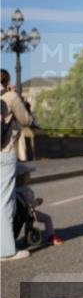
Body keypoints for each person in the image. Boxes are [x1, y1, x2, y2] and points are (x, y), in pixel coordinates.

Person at [2, 69, 33, 260]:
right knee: (5, 202)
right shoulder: (11, 96)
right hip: (4, 153)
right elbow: (26, 120)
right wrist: (17, 97)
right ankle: (6, 250)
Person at [15, 164, 61, 245]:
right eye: (28, 174)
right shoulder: (26, 190)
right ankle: (51, 236)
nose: (30, 176)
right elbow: (31, 203)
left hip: (17, 213)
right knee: (47, 218)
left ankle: (26, 237)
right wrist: (38, 202)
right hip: (29, 212)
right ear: (23, 177)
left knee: (26, 222)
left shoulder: (13, 190)